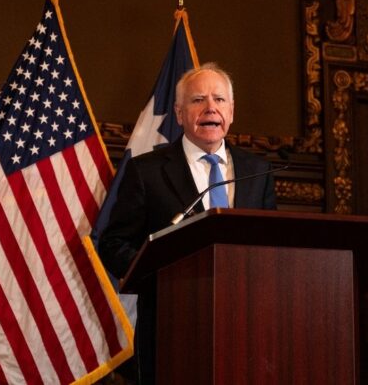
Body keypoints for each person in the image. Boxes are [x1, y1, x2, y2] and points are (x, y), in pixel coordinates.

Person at [99, 63, 277, 384]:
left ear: (232, 111)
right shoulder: (147, 171)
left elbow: (272, 246)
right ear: (180, 114)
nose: (211, 107)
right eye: (198, 100)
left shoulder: (258, 171)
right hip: (172, 324)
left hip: (248, 327)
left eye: (219, 100)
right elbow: (113, 244)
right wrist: (163, 276)